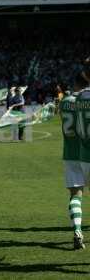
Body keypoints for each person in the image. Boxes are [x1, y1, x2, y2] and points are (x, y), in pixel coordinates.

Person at [60, 73, 88, 250]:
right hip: (85, 150)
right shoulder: (85, 100)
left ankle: (77, 230)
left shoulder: (65, 101)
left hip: (69, 152)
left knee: (75, 195)